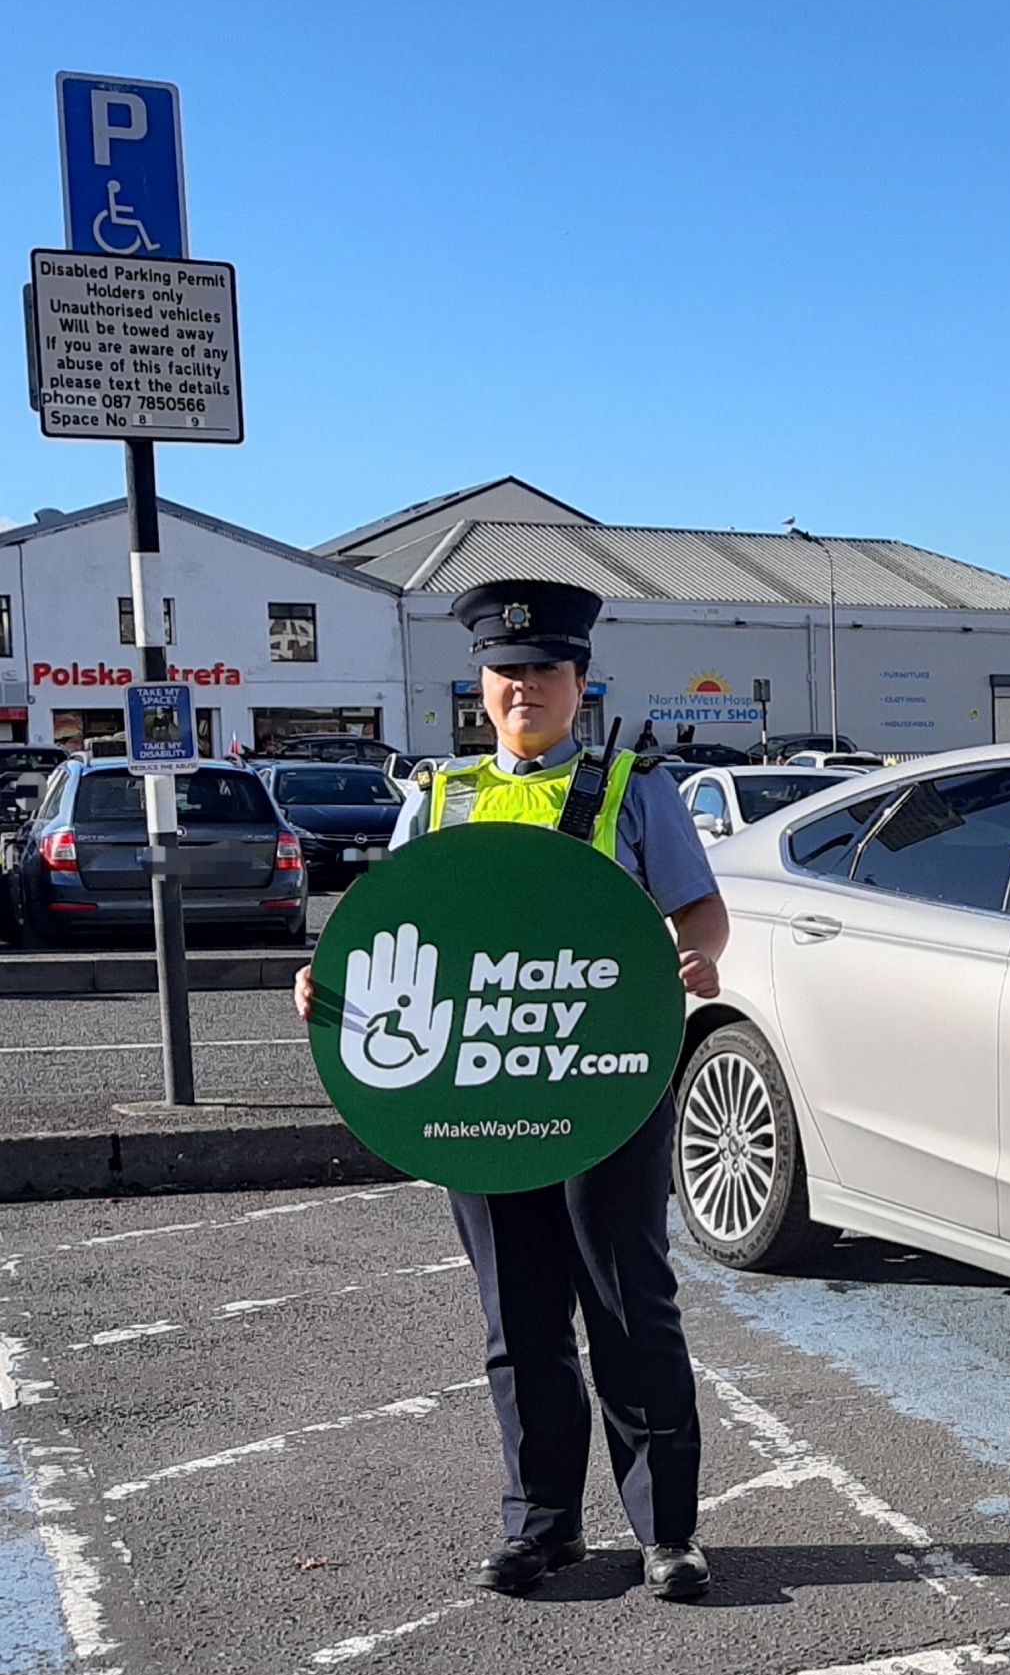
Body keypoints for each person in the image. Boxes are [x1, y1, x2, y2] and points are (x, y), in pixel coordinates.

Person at [293, 579, 729, 1604]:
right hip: (475, 1088)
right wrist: (325, 976)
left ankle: (668, 1533)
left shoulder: (634, 787)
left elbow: (699, 917)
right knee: (518, 1322)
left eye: (544, 669)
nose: (523, 686)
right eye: (505, 672)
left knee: (632, 1311)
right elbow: (386, 924)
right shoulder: (437, 798)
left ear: (580, 682)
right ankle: (542, 1528)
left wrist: (695, 963)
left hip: (603, 1089)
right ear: (480, 688)